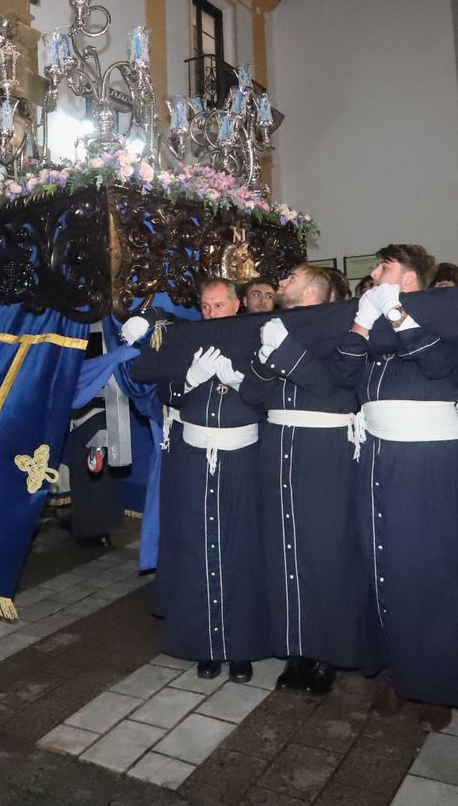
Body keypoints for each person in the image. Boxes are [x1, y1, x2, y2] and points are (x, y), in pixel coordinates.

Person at [333, 245, 458, 712]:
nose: (373, 273)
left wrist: (396, 314)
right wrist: (361, 323)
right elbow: (344, 374)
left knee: (426, 565)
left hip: (425, 461)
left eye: (384, 267)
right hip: (376, 455)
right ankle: (393, 665)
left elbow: (441, 366)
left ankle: (435, 677)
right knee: (380, 558)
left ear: (409, 278)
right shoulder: (372, 320)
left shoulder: (441, 316)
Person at [241, 263, 371, 694]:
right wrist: (265, 359)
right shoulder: (273, 328)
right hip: (277, 445)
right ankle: (296, 648)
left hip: (323, 449)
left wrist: (284, 352)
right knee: (285, 551)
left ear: (313, 291)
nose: (280, 283)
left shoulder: (340, 329)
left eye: (291, 278)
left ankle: (328, 653)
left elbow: (333, 388)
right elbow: (252, 395)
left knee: (326, 553)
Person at [156, 277, 266, 682]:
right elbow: (165, 391)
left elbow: (273, 396)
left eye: (218, 305)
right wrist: (189, 379)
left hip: (243, 459)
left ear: (236, 305)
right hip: (196, 458)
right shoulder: (188, 341)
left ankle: (240, 647)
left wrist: (241, 383)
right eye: (205, 306)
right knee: (198, 549)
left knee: (241, 551)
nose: (211, 313)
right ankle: (205, 644)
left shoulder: (256, 339)